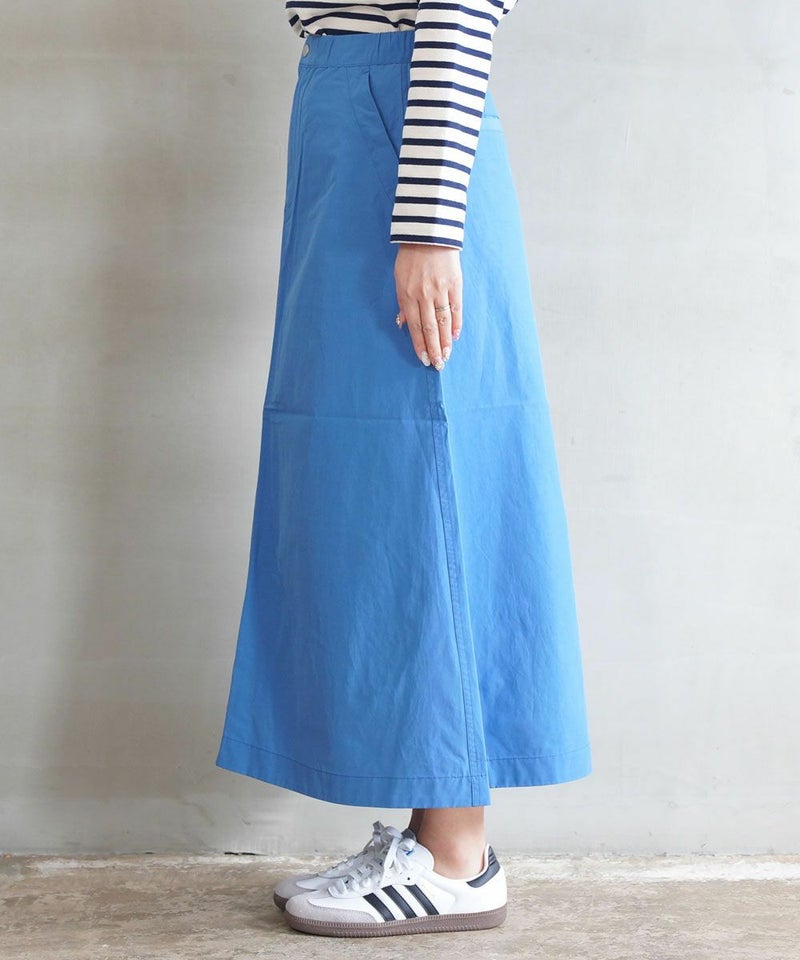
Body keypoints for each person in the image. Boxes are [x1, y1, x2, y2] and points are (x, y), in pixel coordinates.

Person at [215, 0, 593, 938]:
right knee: (381, 482)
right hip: (350, 116)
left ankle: (458, 855)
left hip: (405, 124)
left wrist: (429, 226)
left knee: (430, 475)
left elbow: (460, 13)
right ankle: (432, 835)